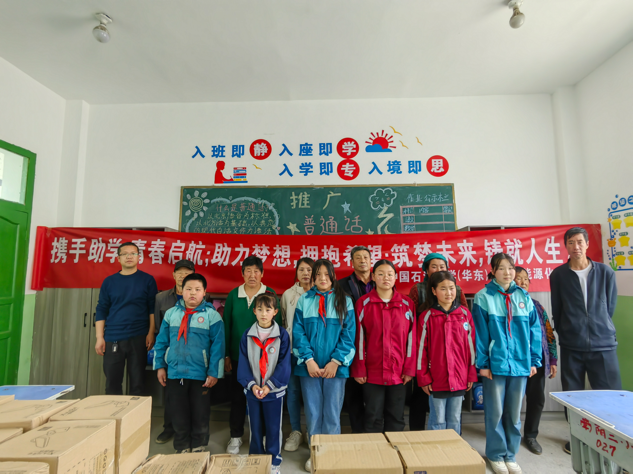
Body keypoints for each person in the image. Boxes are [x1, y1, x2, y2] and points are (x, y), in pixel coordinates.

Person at [550, 227, 620, 455]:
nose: (576, 246)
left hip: (603, 345)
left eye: (580, 242)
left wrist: (600, 327)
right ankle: (578, 439)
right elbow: (557, 309)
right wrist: (567, 332)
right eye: (571, 242)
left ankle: (611, 441)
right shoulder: (558, 275)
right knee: (573, 396)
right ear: (566, 246)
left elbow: (609, 307)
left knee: (609, 395)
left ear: (587, 244)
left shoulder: (605, 272)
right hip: (572, 345)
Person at [472, 253, 542, 474]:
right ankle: (495, 454)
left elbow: (535, 331)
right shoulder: (483, 297)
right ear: (493, 271)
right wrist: (483, 363)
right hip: (495, 364)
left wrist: (534, 360)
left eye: (510, 268)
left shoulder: (524, 296)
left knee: (513, 413)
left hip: (521, 364)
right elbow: (480, 334)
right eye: (501, 268)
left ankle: (510, 455)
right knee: (495, 413)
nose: (507, 272)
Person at [293, 259, 356, 473]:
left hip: (335, 368)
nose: (322, 278)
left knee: (332, 412)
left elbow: (349, 334)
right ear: (313, 277)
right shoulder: (304, 300)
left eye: (326, 274)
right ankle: (315, 453)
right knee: (312, 412)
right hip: (309, 367)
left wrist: (335, 362)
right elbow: (298, 333)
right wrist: (309, 360)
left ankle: (331, 453)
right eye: (318, 274)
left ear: (333, 276)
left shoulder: (345, 301)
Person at [153, 273, 225, 453]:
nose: (193, 293)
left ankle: (199, 445)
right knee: (178, 413)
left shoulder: (212, 316)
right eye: (189, 289)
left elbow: (218, 347)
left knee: (200, 413)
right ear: (181, 291)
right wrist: (160, 366)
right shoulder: (171, 314)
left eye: (197, 289)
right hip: (174, 372)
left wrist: (214, 372)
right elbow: (161, 342)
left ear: (204, 292)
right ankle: (182, 446)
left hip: (200, 374)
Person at [223, 256, 281, 454]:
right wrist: (227, 355)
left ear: (262, 274)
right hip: (239, 357)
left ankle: (262, 436)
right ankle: (236, 436)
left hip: (265, 359)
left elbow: (278, 328)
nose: (252, 275)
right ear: (242, 273)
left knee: (263, 396)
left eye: (256, 271)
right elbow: (227, 325)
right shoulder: (234, 295)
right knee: (238, 397)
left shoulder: (270, 294)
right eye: (248, 271)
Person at [352, 259, 416, 433]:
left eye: (389, 274)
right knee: (372, 416)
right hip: (372, 372)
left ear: (396, 277)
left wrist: (409, 369)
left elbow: (412, 339)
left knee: (396, 416)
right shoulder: (363, 303)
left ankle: (394, 448)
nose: (386, 278)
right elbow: (358, 339)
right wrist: (359, 368)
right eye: (380, 274)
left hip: (399, 372)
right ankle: (374, 449)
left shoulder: (407, 304)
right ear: (373, 277)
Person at [407, 252, 468, 431]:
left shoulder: (456, 290)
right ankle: (418, 434)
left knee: (452, 412)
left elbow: (465, 318)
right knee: (421, 397)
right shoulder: (418, 289)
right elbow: (410, 317)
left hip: (452, 353)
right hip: (426, 347)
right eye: (434, 266)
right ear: (426, 270)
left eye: (442, 266)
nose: (438, 269)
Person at [417, 271, 477, 433]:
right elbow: (420, 350)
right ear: (433, 291)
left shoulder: (464, 314)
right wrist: (423, 377)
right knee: (437, 419)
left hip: (460, 377)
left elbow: (471, 348)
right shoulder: (427, 316)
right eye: (443, 289)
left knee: (455, 418)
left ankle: (454, 448)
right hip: (436, 379)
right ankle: (437, 449)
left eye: (451, 288)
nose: (448, 293)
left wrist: (471, 374)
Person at [95, 242, 158, 395]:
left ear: (139, 257)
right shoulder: (109, 281)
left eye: (133, 253)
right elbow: (101, 309)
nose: (129, 256)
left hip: (139, 336)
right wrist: (99, 337)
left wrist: (151, 333)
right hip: (113, 337)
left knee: (138, 383)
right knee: (112, 383)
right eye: (125, 254)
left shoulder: (148, 280)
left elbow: (152, 309)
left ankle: (136, 411)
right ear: (118, 258)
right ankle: (113, 410)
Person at [238, 294, 291, 474]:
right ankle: (256, 459)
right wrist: (252, 385)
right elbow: (243, 362)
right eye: (259, 309)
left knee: (274, 427)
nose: (263, 313)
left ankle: (274, 460)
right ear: (254, 311)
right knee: (255, 427)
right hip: (253, 391)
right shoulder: (247, 334)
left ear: (275, 312)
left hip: (273, 391)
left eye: (268, 310)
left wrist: (269, 385)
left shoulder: (282, 335)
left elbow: (284, 364)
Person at [514, 266, 558, 455]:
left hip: (537, 361)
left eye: (526, 278)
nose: (523, 282)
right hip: (515, 361)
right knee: (511, 400)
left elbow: (548, 332)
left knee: (537, 399)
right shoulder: (506, 304)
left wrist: (553, 359)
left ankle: (531, 436)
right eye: (518, 278)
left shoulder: (537, 305)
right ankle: (509, 434)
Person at [154, 259, 197, 444]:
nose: (183, 276)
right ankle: (169, 428)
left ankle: (190, 431)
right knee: (171, 394)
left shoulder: (201, 297)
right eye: (179, 272)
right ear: (173, 275)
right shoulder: (161, 298)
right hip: (171, 353)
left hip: (193, 354)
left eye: (187, 273)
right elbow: (159, 328)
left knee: (191, 395)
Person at [279, 257, 315, 452]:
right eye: (301, 270)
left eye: (309, 269)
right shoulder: (288, 294)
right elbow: (284, 322)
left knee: (311, 393)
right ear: (296, 273)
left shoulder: (320, 293)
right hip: (292, 352)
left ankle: (312, 430)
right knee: (292, 391)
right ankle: (296, 431)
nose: (305, 273)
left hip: (314, 354)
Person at [338, 245, 374, 433]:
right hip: (351, 341)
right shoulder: (342, 285)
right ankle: (358, 432)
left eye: (365, 257)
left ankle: (374, 432)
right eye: (358, 257)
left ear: (371, 260)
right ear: (351, 262)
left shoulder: (380, 280)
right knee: (354, 392)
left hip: (376, 343)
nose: (362, 260)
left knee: (375, 393)